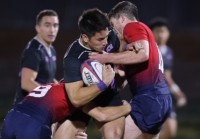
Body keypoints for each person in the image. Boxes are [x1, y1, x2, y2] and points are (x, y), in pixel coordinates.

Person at [89, 1, 172, 139]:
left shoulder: (132, 26)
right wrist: (104, 76)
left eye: (113, 24)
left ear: (122, 18)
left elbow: (143, 54)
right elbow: (121, 81)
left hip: (149, 99)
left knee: (112, 136)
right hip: (161, 100)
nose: (114, 30)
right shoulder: (133, 45)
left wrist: (105, 57)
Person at [54, 8, 125, 139]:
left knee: (114, 136)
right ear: (85, 37)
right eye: (100, 39)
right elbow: (76, 98)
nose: (105, 42)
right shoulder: (73, 57)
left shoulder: (111, 36)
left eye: (107, 36)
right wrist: (104, 83)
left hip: (108, 96)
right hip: (84, 102)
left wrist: (121, 63)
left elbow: (122, 43)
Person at [0, 82, 131, 139]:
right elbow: (101, 115)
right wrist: (128, 106)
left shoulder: (52, 86)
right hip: (33, 125)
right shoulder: (76, 95)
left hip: (11, 118)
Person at [149, 17, 187, 139]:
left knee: (171, 131)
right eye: (157, 31)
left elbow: (167, 76)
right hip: (150, 95)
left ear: (168, 33)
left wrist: (177, 91)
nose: (161, 34)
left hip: (166, 95)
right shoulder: (148, 50)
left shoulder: (169, 52)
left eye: (163, 31)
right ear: (152, 32)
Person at [14, 9, 59, 105]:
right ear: (38, 28)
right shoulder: (33, 51)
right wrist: (52, 96)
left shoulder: (51, 49)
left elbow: (47, 78)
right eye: (47, 25)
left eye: (55, 25)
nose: (52, 30)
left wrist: (61, 89)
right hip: (26, 111)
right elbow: (26, 83)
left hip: (41, 108)